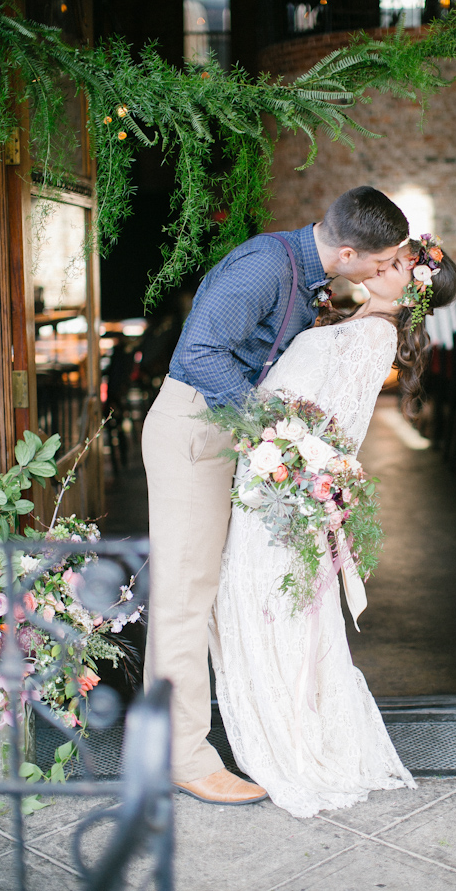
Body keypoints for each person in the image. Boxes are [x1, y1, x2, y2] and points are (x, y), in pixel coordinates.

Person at [141, 187, 410, 805]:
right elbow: (201, 355)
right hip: (194, 430)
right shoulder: (265, 266)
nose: (382, 271)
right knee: (186, 596)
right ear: (347, 252)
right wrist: (274, 429)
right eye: (377, 261)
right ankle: (181, 756)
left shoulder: (308, 269)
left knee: (204, 590)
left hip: (224, 433)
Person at [208, 236, 456, 817]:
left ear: (413, 292)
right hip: (268, 473)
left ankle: (295, 743)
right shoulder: (354, 319)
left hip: (284, 485)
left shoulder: (374, 335)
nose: (384, 263)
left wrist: (288, 466)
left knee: (273, 607)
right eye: (390, 256)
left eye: (399, 265)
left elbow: (334, 428)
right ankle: (283, 730)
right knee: (259, 603)